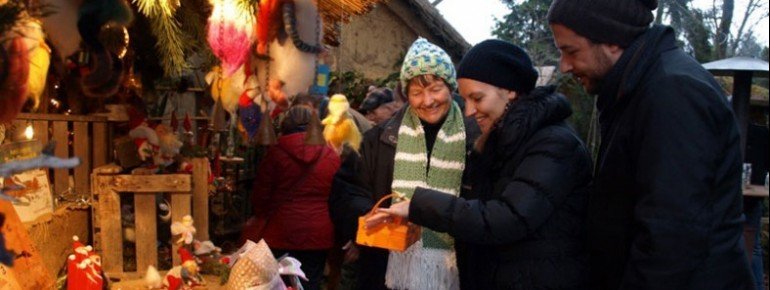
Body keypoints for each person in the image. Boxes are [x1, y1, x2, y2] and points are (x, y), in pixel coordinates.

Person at [547, 0, 754, 288]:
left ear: (612, 41)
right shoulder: (634, 89)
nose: (564, 66)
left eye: (571, 51)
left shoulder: (672, 93)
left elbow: (671, 235)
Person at [375, 39, 592, 289]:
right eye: (465, 99)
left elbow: (505, 218)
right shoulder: (501, 141)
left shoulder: (554, 144)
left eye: (476, 98)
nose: (469, 111)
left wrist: (419, 205)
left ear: (510, 90)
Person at [329, 37, 478, 290]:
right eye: (417, 92)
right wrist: (370, 213)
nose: (427, 101)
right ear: (406, 94)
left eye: (435, 89)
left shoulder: (475, 140)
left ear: (451, 87)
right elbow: (346, 190)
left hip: (458, 271)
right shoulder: (379, 139)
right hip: (385, 269)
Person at [247, 105, 341, 290]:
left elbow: (261, 196)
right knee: (310, 283)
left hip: (280, 232)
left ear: (285, 126)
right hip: (318, 234)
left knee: (278, 283)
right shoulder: (330, 155)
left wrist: (261, 216)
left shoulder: (275, 153)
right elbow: (338, 198)